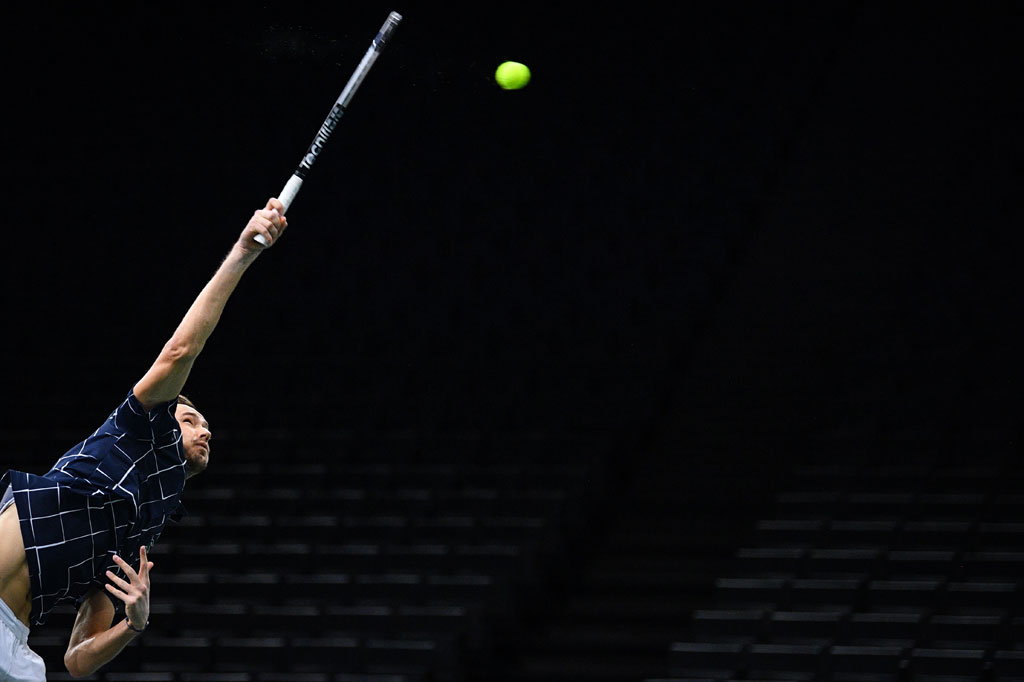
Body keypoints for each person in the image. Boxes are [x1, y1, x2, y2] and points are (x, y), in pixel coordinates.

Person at [0, 199, 288, 680]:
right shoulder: (134, 430)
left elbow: (77, 659)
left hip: (14, 643)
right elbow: (181, 350)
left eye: (206, 426)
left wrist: (134, 623)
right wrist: (243, 252)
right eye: (191, 419)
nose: (205, 429)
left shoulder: (142, 527)